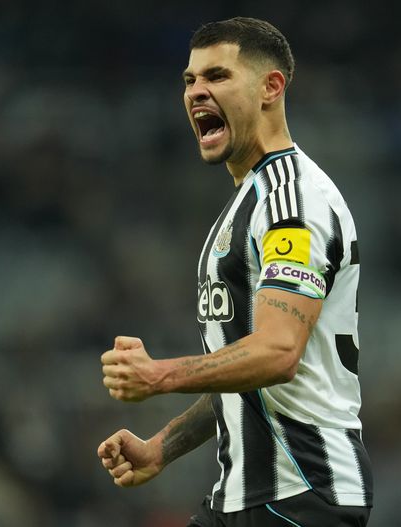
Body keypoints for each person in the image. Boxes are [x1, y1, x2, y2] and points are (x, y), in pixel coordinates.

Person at [97, 17, 372, 527]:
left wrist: (160, 375)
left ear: (271, 87)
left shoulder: (292, 201)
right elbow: (249, 377)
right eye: (189, 81)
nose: (197, 93)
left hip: (302, 497)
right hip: (243, 498)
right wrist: (163, 446)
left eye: (217, 77)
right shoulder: (249, 200)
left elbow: (277, 352)